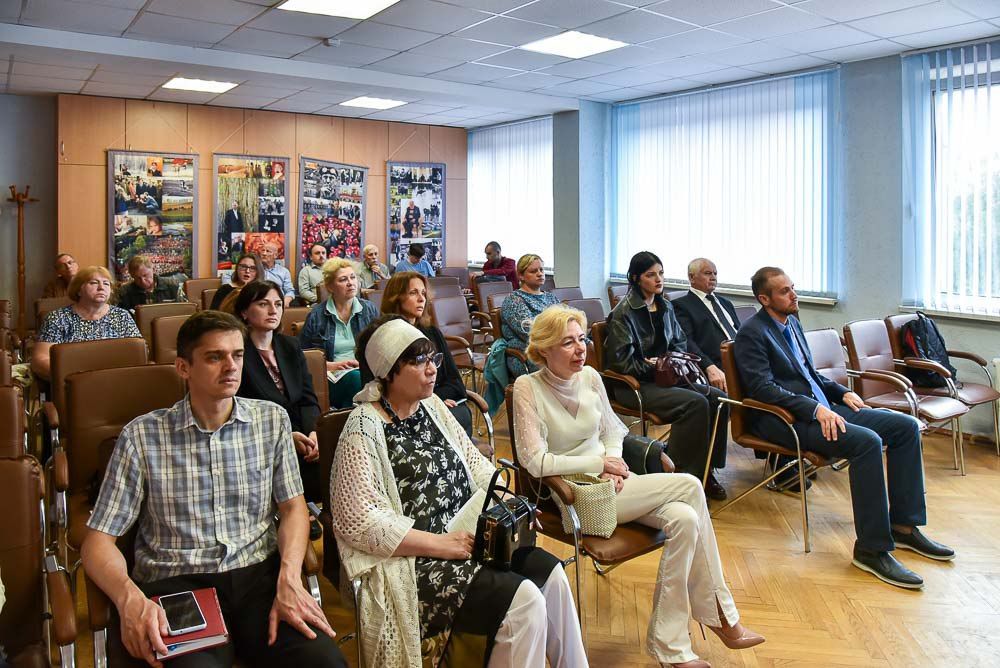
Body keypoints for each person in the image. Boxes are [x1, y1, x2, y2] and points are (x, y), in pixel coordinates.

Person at [81, 311, 345, 668]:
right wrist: (129, 598)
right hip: (179, 583)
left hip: (259, 579)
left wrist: (290, 578)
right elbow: (99, 541)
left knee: (324, 662)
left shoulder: (271, 421)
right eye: (214, 357)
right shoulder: (142, 437)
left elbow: (294, 509)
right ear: (183, 368)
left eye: (237, 355)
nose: (231, 367)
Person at [513, 305, 764, 668]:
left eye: (581, 339)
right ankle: (721, 615)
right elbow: (533, 461)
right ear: (544, 349)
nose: (580, 349)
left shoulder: (590, 378)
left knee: (686, 521)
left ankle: (671, 647)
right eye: (567, 343)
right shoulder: (527, 387)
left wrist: (613, 463)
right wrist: (599, 463)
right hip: (578, 496)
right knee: (691, 485)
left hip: (614, 484)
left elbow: (613, 431)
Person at [331, 316, 587, 668]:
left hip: (467, 535)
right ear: (388, 371)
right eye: (417, 361)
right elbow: (359, 521)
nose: (432, 369)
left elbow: (476, 465)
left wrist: (506, 503)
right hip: (416, 557)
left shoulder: (433, 407)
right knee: (525, 601)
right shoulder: (363, 428)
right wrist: (437, 543)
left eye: (433, 358)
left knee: (553, 577)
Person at [735, 267, 954, 589]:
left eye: (792, 288)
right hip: (785, 420)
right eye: (784, 291)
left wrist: (843, 392)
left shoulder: (792, 323)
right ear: (764, 298)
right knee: (866, 442)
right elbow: (762, 388)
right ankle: (871, 549)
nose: (793, 295)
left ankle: (904, 528)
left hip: (824, 408)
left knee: (906, 426)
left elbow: (809, 375)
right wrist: (815, 408)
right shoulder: (752, 333)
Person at [605, 251, 730, 501]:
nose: (658, 279)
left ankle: (707, 470)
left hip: (667, 377)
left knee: (718, 399)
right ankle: (682, 477)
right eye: (651, 275)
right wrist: (655, 366)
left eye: (660, 273)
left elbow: (680, 342)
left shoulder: (665, 305)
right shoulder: (624, 313)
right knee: (695, 404)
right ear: (636, 278)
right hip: (636, 385)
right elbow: (621, 363)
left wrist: (666, 362)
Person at [234, 281, 322, 502]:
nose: (273, 310)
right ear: (244, 311)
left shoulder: (290, 345)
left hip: (303, 434)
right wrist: (286, 435)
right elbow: (242, 408)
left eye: (278, 304)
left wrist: (314, 433)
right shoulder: (236, 352)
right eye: (264, 304)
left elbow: (308, 398)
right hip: (260, 437)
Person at [375, 272, 474, 436]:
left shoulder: (432, 333)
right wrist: (431, 401)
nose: (421, 299)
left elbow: (456, 384)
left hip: (439, 403)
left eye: (423, 293)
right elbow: (383, 392)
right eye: (413, 293)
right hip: (402, 413)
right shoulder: (384, 337)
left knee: (461, 414)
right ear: (396, 297)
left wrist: (437, 399)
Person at [31, 266, 141, 381]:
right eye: (93, 283)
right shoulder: (57, 318)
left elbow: (138, 352)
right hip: (73, 383)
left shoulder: (122, 316)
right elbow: (40, 360)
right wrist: (69, 376)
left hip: (117, 381)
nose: (101, 287)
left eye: (106, 284)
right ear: (78, 290)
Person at [298, 258, 377, 409]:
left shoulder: (369, 310)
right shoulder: (317, 315)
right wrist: (331, 365)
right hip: (331, 375)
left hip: (366, 370)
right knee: (356, 379)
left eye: (353, 277)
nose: (350, 283)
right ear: (330, 287)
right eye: (343, 279)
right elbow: (303, 356)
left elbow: (381, 347)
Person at [671, 258, 742, 393]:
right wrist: (708, 365)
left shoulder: (725, 303)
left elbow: (739, 332)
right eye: (708, 273)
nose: (713, 277)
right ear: (691, 277)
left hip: (744, 357)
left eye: (715, 273)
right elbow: (687, 342)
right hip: (720, 364)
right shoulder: (681, 306)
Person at [499, 254, 559, 379]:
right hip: (526, 353)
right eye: (533, 271)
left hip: (554, 344)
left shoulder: (550, 297)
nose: (540, 274)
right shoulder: (514, 300)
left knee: (585, 345)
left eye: (541, 270)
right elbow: (530, 332)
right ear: (521, 275)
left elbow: (566, 320)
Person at [116, 255, 183, 312]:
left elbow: (184, 312)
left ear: (152, 269)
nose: (142, 281)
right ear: (132, 276)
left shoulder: (173, 285)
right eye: (137, 278)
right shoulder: (124, 292)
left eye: (145, 275)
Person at [260, 242, 295, 307]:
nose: (264, 253)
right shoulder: (255, 269)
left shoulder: (284, 272)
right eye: (262, 250)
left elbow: (290, 291)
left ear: (275, 255)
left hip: (278, 304)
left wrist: (285, 302)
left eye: (268, 251)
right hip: (260, 303)